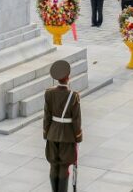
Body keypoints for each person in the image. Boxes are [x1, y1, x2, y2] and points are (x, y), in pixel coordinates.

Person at [43, 60, 82, 192]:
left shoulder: (49, 93)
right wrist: (78, 137)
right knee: (64, 166)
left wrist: (46, 133)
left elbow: (47, 116)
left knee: (54, 165)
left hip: (52, 134)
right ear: (68, 77)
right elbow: (76, 120)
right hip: (68, 136)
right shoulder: (74, 96)